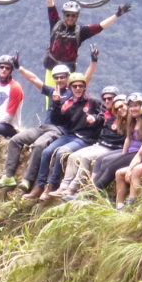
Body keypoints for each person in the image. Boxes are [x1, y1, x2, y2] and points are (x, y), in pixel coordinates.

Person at [0, 49, 98, 191]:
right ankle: (9, 176)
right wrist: (19, 68)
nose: (60, 80)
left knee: (39, 145)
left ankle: (28, 180)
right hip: (44, 126)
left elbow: (86, 78)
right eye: (57, 77)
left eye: (62, 77)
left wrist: (93, 61)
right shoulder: (52, 91)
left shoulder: (72, 93)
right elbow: (34, 79)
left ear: (68, 78)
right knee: (16, 140)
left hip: (59, 129)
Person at [23, 72, 102, 200]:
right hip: (71, 135)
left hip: (85, 138)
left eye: (80, 86)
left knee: (61, 152)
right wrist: (56, 103)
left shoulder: (92, 102)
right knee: (47, 151)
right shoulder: (68, 103)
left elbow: (104, 115)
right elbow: (58, 121)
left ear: (84, 87)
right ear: (70, 87)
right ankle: (39, 185)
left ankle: (52, 185)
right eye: (74, 86)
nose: (77, 89)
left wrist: (95, 118)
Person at [44, 0, 131, 73]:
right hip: (51, 69)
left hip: (68, 72)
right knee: (50, 89)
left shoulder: (80, 31)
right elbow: (50, 1)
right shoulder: (56, 23)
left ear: (77, 17)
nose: (70, 18)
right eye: (68, 15)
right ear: (64, 15)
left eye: (74, 16)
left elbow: (100, 26)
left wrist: (117, 15)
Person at [48, 94, 129, 199]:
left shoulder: (129, 122)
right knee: (73, 156)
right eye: (117, 108)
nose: (120, 109)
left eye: (122, 106)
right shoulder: (111, 118)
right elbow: (100, 119)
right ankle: (64, 186)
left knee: (86, 158)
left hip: (112, 148)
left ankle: (73, 188)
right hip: (101, 144)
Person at [92, 92, 142, 190]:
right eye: (131, 106)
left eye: (136, 106)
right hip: (131, 151)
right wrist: (123, 154)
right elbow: (128, 138)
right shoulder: (133, 120)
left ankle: (91, 194)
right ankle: (91, 189)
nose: (133, 108)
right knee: (106, 162)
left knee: (111, 167)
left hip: (140, 153)